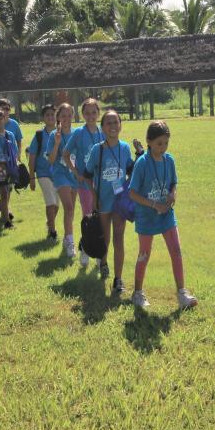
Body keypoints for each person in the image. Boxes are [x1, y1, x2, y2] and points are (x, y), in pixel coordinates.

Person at [128, 121, 198, 310]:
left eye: (166, 143)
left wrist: (172, 194)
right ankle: (137, 293)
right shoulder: (142, 164)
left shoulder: (170, 160)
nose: (163, 147)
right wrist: (153, 204)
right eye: (159, 143)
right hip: (146, 216)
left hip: (166, 214)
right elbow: (132, 193)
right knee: (144, 254)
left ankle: (182, 293)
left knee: (176, 251)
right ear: (149, 142)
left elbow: (174, 183)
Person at [84, 109, 135, 292]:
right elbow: (87, 175)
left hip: (120, 202)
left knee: (119, 238)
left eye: (116, 122)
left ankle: (118, 280)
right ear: (103, 127)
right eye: (109, 123)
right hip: (103, 201)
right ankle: (103, 262)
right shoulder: (97, 150)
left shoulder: (125, 147)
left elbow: (131, 170)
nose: (113, 126)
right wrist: (94, 194)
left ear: (120, 125)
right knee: (105, 238)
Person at [64, 98, 104, 268]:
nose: (91, 116)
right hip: (85, 184)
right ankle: (86, 250)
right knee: (88, 217)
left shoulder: (103, 132)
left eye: (94, 112)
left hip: (102, 184)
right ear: (82, 115)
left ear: (98, 113)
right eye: (87, 113)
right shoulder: (79, 133)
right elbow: (66, 154)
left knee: (101, 218)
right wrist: (76, 173)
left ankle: (100, 255)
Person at [48, 103, 78, 258]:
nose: (66, 118)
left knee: (70, 210)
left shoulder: (77, 133)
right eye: (63, 115)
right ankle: (71, 242)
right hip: (60, 175)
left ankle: (67, 236)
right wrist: (57, 144)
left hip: (74, 174)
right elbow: (51, 160)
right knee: (69, 207)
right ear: (58, 117)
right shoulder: (54, 135)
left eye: (69, 115)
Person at [27, 104, 60, 241]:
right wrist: (31, 178)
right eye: (47, 115)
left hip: (58, 174)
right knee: (51, 203)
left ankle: (49, 222)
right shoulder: (39, 136)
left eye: (53, 114)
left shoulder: (61, 132)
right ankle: (52, 232)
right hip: (43, 173)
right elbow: (32, 157)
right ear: (43, 118)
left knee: (57, 205)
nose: (50, 117)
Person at [0, 98, 24, 221]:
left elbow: (19, 141)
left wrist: (18, 156)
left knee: (9, 189)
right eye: (2, 108)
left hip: (12, 162)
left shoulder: (14, 124)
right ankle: (5, 216)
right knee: (4, 190)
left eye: (7, 109)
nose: (5, 111)